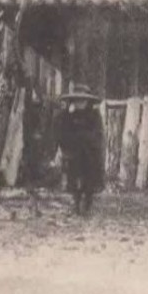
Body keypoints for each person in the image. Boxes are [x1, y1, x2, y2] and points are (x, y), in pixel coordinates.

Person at [55, 85, 106, 215]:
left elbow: (97, 134)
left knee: (89, 179)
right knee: (73, 177)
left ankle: (87, 202)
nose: (80, 104)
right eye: (77, 101)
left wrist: (87, 139)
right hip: (73, 152)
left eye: (82, 101)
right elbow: (62, 133)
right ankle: (76, 202)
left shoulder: (94, 116)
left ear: (88, 102)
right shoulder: (67, 116)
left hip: (90, 152)